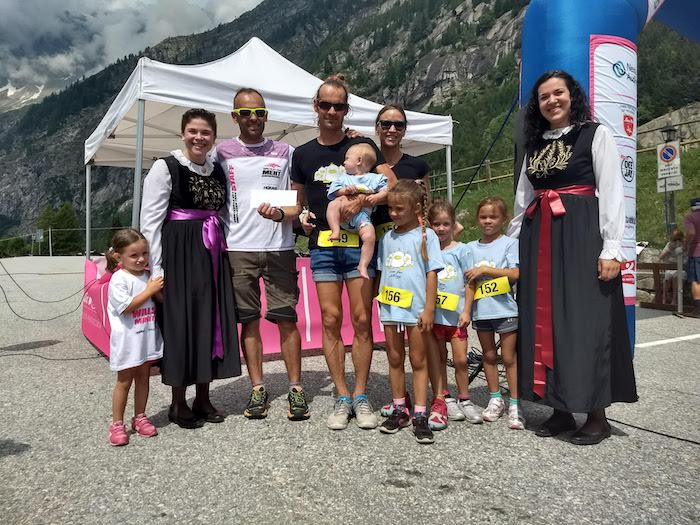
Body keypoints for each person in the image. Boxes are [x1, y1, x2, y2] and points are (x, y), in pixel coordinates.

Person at [508, 70, 637, 445]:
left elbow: (611, 191)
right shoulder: (534, 144)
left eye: (558, 93)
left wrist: (612, 248)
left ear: (571, 95)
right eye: (544, 97)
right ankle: (560, 408)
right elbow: (523, 199)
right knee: (544, 320)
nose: (552, 101)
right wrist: (512, 248)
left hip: (580, 235)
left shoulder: (594, 134)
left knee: (583, 321)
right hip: (539, 236)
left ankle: (596, 414)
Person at [292, 75, 395, 431]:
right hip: (323, 246)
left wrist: (363, 202)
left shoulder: (362, 145)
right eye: (326, 105)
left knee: (363, 320)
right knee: (331, 320)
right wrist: (300, 220)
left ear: (346, 110)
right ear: (316, 107)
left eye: (339, 106)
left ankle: (361, 394)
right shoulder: (303, 154)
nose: (332, 111)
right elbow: (297, 203)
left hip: (359, 246)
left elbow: (392, 186)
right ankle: (341, 395)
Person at [141, 108, 241, 429]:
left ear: (214, 137)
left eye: (206, 132)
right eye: (193, 131)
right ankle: (177, 403)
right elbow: (150, 223)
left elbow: (224, 213)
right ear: (182, 133)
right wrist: (157, 270)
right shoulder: (166, 167)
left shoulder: (217, 169)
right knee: (181, 323)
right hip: (180, 253)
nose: (199, 137)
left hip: (211, 253)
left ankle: (203, 397)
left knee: (209, 320)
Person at [216, 88, 308, 421]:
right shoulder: (221, 153)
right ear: (234, 116)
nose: (253, 118)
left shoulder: (286, 151)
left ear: (267, 115)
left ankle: (296, 388)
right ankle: (257, 387)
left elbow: (297, 203)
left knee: (287, 319)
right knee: (249, 322)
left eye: (259, 112)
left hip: (279, 247)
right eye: (245, 113)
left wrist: (282, 215)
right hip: (238, 248)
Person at [377, 180, 444, 444]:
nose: (393, 213)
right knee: (394, 358)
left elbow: (432, 274)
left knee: (418, 360)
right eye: (390, 208)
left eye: (399, 209)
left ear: (416, 207)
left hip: (416, 310)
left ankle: (420, 413)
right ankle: (399, 408)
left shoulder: (427, 237)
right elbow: (383, 272)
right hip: (390, 308)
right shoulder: (387, 238)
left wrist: (429, 308)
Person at [463, 197, 523, 430]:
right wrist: (467, 310)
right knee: (488, 356)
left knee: (508, 357)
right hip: (482, 311)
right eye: (483, 217)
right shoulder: (470, 247)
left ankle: (515, 404)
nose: (488, 221)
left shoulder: (509, 243)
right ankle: (495, 398)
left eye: (493, 217)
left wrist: (486, 269)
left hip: (505, 309)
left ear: (504, 219)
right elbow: (469, 282)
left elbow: (515, 274)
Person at [426, 199, 483, 430]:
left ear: (453, 224)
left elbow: (470, 282)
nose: (441, 229)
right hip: (436, 318)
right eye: (436, 224)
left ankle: (465, 398)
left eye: (446, 224)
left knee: (460, 360)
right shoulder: (427, 251)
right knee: (439, 358)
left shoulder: (462, 250)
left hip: (456, 317)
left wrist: (467, 309)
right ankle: (445, 397)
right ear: (430, 225)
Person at [105, 229, 163, 446]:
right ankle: (117, 423)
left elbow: (160, 301)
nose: (141, 259)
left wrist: (158, 290)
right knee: (124, 381)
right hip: (128, 342)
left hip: (146, 339)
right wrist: (150, 290)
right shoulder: (119, 279)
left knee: (143, 378)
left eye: (144, 253)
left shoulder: (148, 276)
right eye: (134, 255)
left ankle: (140, 416)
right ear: (118, 257)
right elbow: (126, 307)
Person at [327, 143, 388, 279]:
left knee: (370, 236)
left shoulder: (375, 178)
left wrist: (377, 197)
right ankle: (335, 230)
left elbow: (386, 191)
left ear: (359, 160)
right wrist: (345, 190)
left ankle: (363, 265)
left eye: (347, 158)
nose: (344, 162)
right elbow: (334, 191)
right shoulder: (344, 178)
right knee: (332, 204)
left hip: (362, 218)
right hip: (341, 215)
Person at [659, 228, 686, 305]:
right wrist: (669, 250)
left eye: (679, 239)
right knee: (667, 279)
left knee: (675, 277)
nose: (677, 242)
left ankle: (674, 300)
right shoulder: (669, 245)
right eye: (674, 240)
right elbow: (661, 257)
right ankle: (664, 299)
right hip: (670, 269)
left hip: (682, 269)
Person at [684, 197, 700, 315]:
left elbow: (691, 232)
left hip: (696, 252)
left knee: (696, 280)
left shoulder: (690, 217)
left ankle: (698, 309)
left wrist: (686, 245)